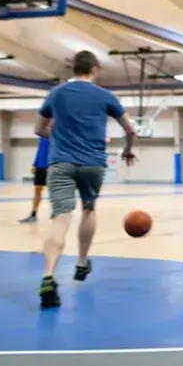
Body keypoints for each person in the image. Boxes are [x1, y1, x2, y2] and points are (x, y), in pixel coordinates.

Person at [33, 50, 136, 308]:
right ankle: (81, 261)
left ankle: (48, 276)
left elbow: (38, 129)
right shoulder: (105, 96)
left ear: (73, 69)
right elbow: (130, 129)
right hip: (93, 164)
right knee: (89, 208)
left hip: (61, 163)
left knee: (61, 217)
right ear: (95, 69)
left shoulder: (56, 93)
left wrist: (55, 136)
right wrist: (127, 149)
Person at [19, 134, 51, 223]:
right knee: (37, 190)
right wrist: (35, 163)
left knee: (54, 192)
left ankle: (58, 214)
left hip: (52, 166)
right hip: (40, 166)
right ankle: (33, 214)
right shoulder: (43, 135)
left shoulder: (58, 133)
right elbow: (40, 150)